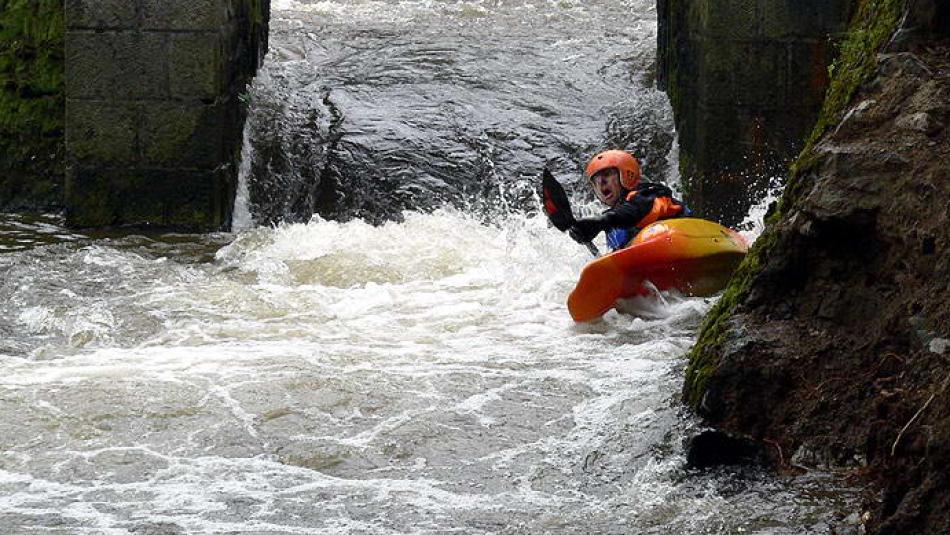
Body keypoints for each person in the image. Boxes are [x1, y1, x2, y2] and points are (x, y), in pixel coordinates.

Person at [569, 149, 689, 250]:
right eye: (596, 180)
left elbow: (632, 211)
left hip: (680, 237)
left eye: (607, 174)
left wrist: (600, 222)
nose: (601, 182)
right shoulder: (611, 223)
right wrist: (583, 232)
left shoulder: (650, 194)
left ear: (627, 174)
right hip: (645, 257)